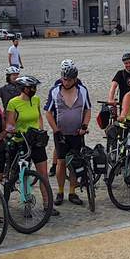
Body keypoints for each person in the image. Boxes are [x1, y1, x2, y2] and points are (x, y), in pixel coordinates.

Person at [5, 75, 57, 216]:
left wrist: (40, 129)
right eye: (31, 87)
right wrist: (14, 130)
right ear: (23, 88)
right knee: (24, 174)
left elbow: (39, 116)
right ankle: (26, 204)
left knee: (43, 174)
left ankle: (47, 204)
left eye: (34, 87)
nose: (34, 90)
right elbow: (9, 124)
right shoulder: (13, 103)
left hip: (36, 141)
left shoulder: (36, 100)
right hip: (21, 141)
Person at [45, 65, 91, 205]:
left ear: (75, 79)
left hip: (77, 133)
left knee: (74, 162)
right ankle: (60, 192)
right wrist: (55, 130)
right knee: (61, 162)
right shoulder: (54, 91)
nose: (66, 82)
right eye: (64, 79)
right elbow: (48, 112)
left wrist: (84, 126)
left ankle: (72, 192)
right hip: (61, 134)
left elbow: (87, 110)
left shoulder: (82, 91)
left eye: (69, 80)